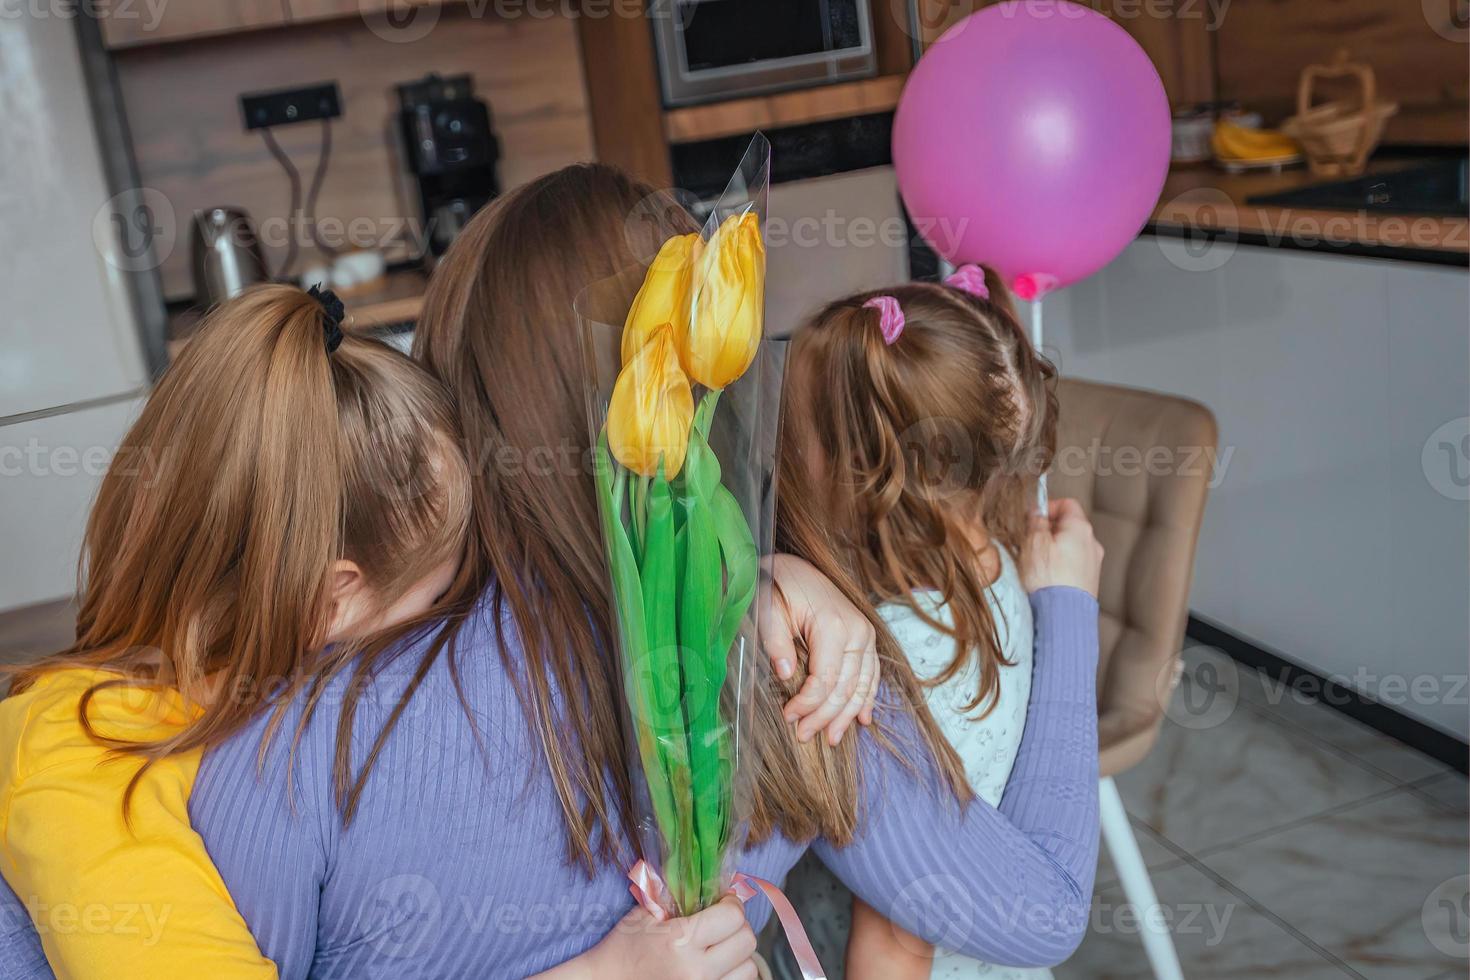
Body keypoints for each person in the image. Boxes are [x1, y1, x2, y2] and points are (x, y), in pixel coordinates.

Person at [0, 165, 1103, 979]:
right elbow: (1043, 910)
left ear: (450, 385)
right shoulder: (806, 671)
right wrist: (1066, 606)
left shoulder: (284, 738)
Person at [0, 284, 756, 980]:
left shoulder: (215, 687)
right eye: (444, 585)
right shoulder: (81, 760)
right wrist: (600, 975)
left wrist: (777, 582)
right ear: (330, 600)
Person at [775, 265, 1066, 980]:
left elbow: (899, 941)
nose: (785, 450)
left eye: (800, 432)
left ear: (863, 469)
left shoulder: (882, 657)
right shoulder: (987, 562)